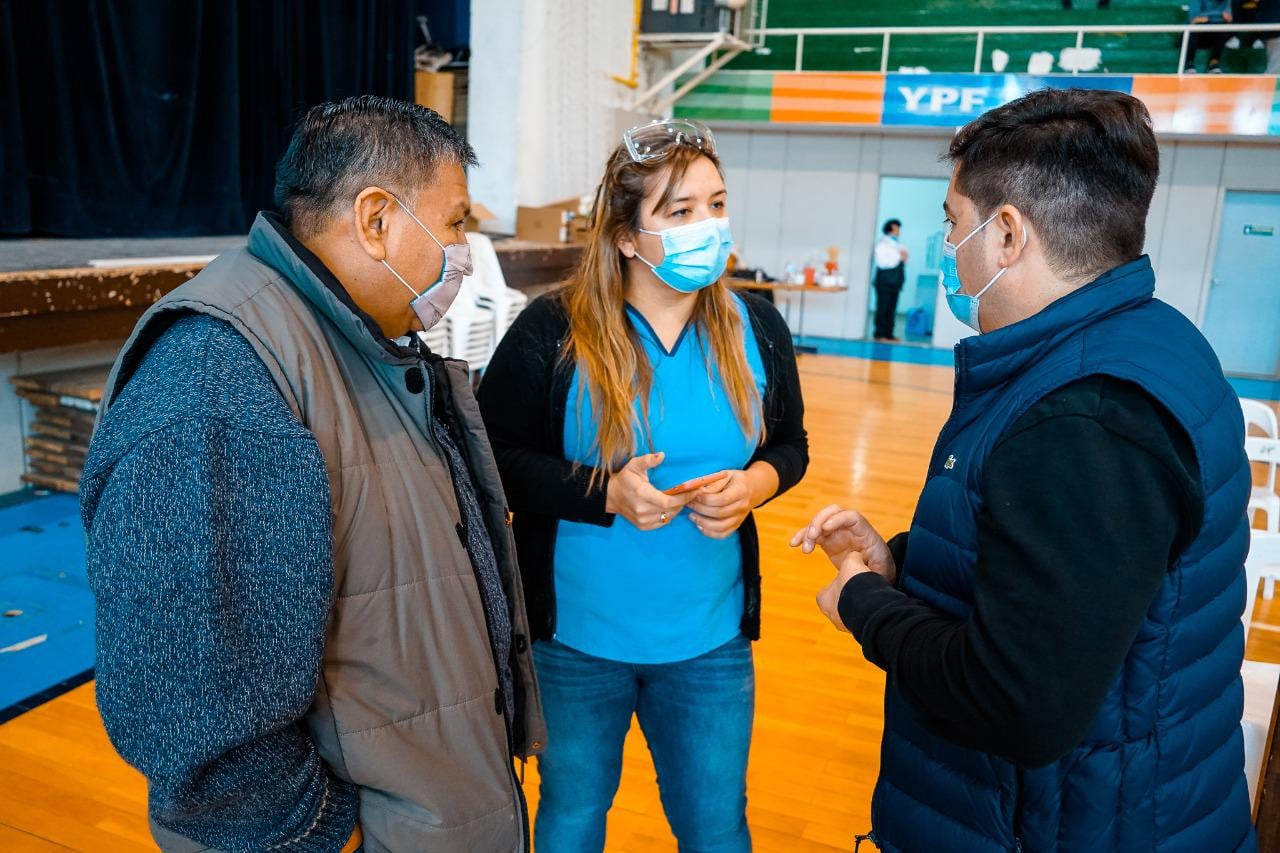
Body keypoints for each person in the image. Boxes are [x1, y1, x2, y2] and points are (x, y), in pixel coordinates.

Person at [795, 88, 1255, 851]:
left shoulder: (1089, 417)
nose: (949, 244)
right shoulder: (1143, 341)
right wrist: (904, 565)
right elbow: (1069, 586)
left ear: (1007, 233)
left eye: (952, 222)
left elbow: (1017, 701)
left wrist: (866, 603)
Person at [81, 96, 545, 852]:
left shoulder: (362, 342)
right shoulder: (219, 378)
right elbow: (192, 706)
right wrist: (315, 835)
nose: (465, 247)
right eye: (456, 221)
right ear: (375, 219)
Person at [478, 118, 808, 853]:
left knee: (717, 825)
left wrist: (756, 482)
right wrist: (605, 492)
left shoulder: (756, 326)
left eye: (716, 205)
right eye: (680, 211)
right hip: (576, 644)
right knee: (571, 815)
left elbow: (793, 446)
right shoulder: (551, 331)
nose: (708, 226)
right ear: (627, 236)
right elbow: (491, 458)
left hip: (710, 643)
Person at [872, 218, 908, 341]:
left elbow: (903, 260)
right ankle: (879, 334)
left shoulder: (898, 243)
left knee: (892, 309)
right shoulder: (882, 244)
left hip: (895, 281)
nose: (899, 231)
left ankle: (889, 334)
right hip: (884, 281)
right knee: (883, 308)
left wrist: (903, 257)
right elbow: (882, 263)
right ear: (890, 230)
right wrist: (899, 256)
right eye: (896, 228)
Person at [1185, 0, 1234, 72]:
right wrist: (1220, 15)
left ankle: (1214, 63)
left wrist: (1206, 16)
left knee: (1223, 28)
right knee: (1195, 29)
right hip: (1198, 35)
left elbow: (1229, 18)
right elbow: (1194, 19)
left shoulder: (1227, 1)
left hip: (1215, 33)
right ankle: (1189, 63)